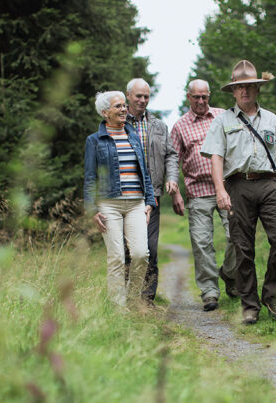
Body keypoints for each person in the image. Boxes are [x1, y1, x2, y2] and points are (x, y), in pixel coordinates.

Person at [200, 60, 276, 325]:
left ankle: (272, 297)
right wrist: (220, 191)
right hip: (238, 185)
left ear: (257, 89)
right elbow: (215, 157)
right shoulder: (222, 121)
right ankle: (249, 306)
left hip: (271, 185)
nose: (245, 92)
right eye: (240, 88)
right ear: (234, 92)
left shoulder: (273, 120)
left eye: (249, 87)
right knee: (242, 247)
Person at [170, 79, 238, 312]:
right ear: (188, 97)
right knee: (201, 243)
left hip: (228, 188)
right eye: (196, 97)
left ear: (209, 96)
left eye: (204, 97)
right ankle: (210, 291)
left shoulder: (223, 116)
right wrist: (175, 191)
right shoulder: (180, 126)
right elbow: (173, 160)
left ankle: (229, 274)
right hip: (198, 191)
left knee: (237, 236)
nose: (201, 101)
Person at [84, 91, 156, 308]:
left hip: (136, 203)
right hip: (109, 205)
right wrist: (91, 209)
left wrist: (150, 201)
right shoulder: (94, 140)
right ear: (105, 112)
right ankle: (118, 308)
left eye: (125, 106)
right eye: (118, 106)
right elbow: (90, 177)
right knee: (116, 257)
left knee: (141, 254)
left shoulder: (132, 135)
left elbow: (144, 171)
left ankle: (134, 300)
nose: (124, 110)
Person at [125, 78, 179, 305]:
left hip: (152, 195)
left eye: (146, 96)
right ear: (128, 96)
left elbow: (171, 155)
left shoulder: (158, 126)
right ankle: (127, 298)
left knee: (150, 249)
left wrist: (172, 179)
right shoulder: (118, 123)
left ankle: (147, 299)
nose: (142, 100)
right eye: (138, 96)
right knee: (128, 250)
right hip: (126, 195)